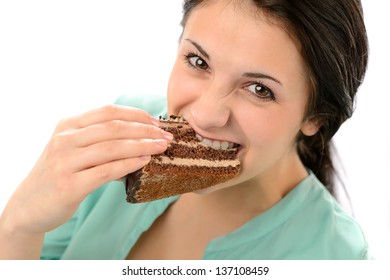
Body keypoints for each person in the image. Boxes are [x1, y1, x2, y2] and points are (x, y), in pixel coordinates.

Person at [0, 0, 370, 259]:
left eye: (259, 89)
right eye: (198, 61)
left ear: (315, 117)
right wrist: (19, 226)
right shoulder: (126, 132)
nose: (206, 114)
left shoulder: (336, 259)